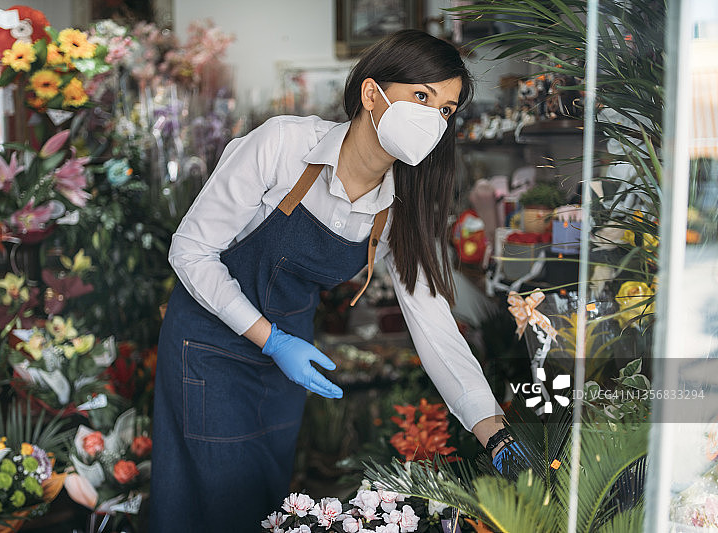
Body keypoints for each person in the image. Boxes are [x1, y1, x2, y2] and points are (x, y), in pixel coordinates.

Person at [151, 29, 520, 533]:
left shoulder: (401, 208)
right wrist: (271, 338)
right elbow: (190, 250)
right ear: (372, 94)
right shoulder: (282, 145)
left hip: (285, 365)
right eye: (421, 96)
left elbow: (435, 327)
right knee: (218, 501)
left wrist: (494, 433)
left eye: (446, 110)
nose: (434, 119)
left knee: (266, 500)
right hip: (210, 346)